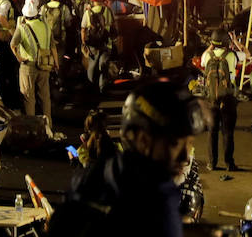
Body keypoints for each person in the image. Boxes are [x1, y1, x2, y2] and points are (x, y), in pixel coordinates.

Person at [48, 78, 207, 237]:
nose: (185, 156)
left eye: (190, 143)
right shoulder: (152, 206)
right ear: (142, 140)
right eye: (175, 144)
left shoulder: (101, 178)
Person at [12, 0, 57, 120]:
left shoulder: (21, 27)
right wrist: (56, 63)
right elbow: (53, 46)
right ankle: (48, 126)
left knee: (29, 98)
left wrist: (19, 58)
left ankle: (32, 127)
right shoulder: (46, 26)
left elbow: (13, 45)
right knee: (45, 97)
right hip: (45, 65)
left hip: (28, 66)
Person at [200, 28, 239, 170]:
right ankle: (229, 163)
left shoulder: (206, 56)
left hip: (211, 99)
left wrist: (211, 46)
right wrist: (234, 42)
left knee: (212, 131)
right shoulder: (231, 56)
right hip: (228, 99)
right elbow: (246, 56)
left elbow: (203, 63)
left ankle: (212, 163)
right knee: (228, 132)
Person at [81, 0, 116, 93]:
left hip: (92, 44)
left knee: (92, 65)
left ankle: (92, 86)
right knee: (103, 65)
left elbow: (83, 29)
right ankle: (102, 87)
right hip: (106, 43)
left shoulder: (88, 13)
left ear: (92, 0)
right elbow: (113, 26)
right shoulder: (108, 11)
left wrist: (83, 43)